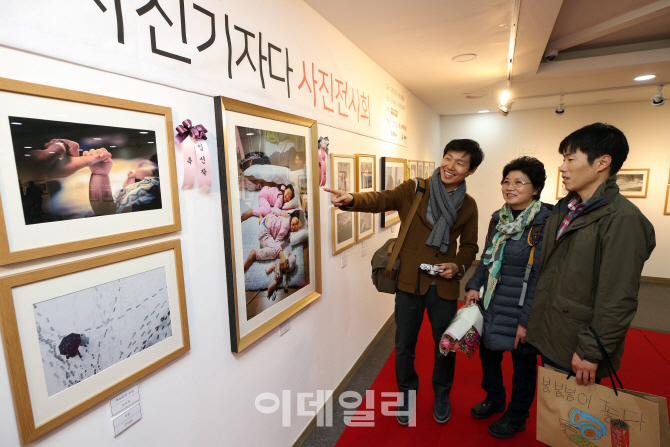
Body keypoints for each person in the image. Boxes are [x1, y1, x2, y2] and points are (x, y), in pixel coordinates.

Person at [326, 139, 483, 426]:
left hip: (443, 286)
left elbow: (470, 247)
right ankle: (407, 392)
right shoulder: (415, 189)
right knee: (404, 344)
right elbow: (381, 199)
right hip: (409, 282)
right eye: (448, 157)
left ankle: (441, 393)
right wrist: (352, 199)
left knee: (444, 345)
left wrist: (457, 264)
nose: (451, 166)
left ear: (470, 171)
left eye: (460, 162)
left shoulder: (468, 206)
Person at [526, 123, 655, 388]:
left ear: (602, 162)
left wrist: (591, 351)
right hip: (552, 331)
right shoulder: (566, 208)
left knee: (576, 424)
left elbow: (617, 297)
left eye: (570, 159)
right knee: (555, 412)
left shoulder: (624, 220)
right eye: (563, 159)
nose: (562, 167)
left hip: (579, 344)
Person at [463, 157, 550, 439]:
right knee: (488, 353)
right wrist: (473, 287)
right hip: (492, 302)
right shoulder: (497, 219)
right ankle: (495, 398)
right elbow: (486, 259)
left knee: (523, 364)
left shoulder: (545, 223)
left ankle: (517, 416)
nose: (510, 187)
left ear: (536, 189)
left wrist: (527, 320)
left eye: (519, 182)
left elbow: (542, 275)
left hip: (523, 305)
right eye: (506, 181)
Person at [85, 148, 161, 215]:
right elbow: (105, 211)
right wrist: (100, 174)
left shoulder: (156, 186)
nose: (129, 172)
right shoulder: (123, 197)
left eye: (142, 166)